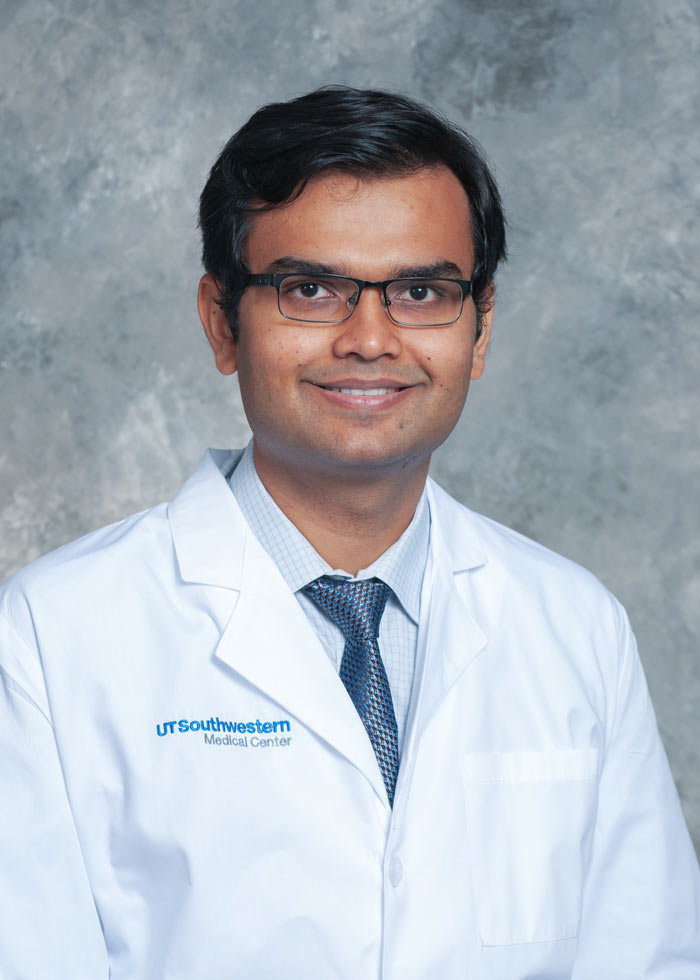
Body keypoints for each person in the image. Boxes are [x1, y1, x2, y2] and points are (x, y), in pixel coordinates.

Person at [0, 86, 698, 980]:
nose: (370, 339)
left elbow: (646, 962)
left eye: (420, 290)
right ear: (222, 322)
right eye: (311, 289)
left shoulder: (575, 625)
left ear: (478, 332)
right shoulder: (55, 633)